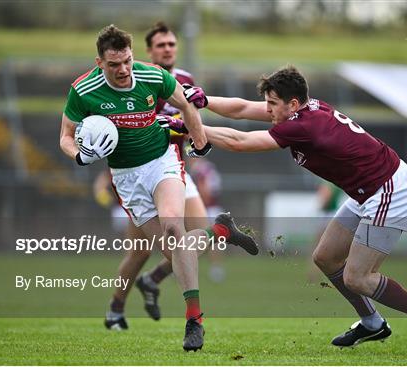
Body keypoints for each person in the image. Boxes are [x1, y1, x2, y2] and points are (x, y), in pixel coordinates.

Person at [180, 65, 407, 357]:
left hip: (390, 190)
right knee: (326, 257)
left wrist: (191, 126)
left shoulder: (301, 125)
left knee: (358, 277)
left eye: (273, 104)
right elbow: (243, 108)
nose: (268, 109)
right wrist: (203, 100)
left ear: (293, 104)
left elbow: (242, 142)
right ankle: (372, 321)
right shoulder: (299, 109)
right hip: (370, 189)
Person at [59, 24, 258, 351]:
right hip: (125, 177)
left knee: (173, 227)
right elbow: (66, 136)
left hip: (161, 160)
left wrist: (200, 142)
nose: (123, 69)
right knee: (170, 251)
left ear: (133, 55)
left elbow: (186, 104)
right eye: (114, 64)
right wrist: (79, 155)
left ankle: (194, 320)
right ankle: (220, 230)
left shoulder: (154, 76)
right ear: (99, 63)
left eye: (127, 60)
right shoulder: (83, 90)